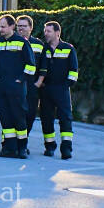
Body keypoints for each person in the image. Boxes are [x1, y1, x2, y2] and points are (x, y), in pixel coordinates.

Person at [0, 14, 36, 159]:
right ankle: (9, 149)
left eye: (3, 26)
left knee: (19, 117)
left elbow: (31, 65)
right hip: (2, 85)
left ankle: (22, 149)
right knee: (5, 118)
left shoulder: (22, 42)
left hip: (16, 87)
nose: (0, 29)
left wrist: (20, 80)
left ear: (12, 26)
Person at [39, 21, 79, 159]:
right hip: (46, 89)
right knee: (46, 118)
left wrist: (67, 84)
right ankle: (50, 146)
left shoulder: (68, 48)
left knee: (65, 118)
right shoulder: (44, 49)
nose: (46, 33)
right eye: (45, 31)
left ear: (57, 33)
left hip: (62, 89)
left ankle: (66, 148)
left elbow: (74, 69)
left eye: (48, 31)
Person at [16, 15, 46, 138]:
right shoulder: (11, 41)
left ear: (31, 28)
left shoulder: (39, 44)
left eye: (24, 26)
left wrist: (38, 82)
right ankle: (9, 143)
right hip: (16, 84)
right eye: (19, 26)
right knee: (13, 114)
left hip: (32, 85)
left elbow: (44, 66)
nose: (21, 28)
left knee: (30, 114)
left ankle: (23, 139)